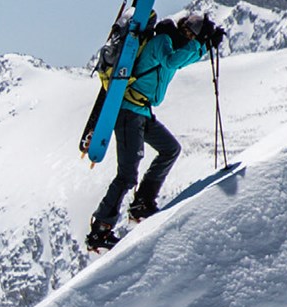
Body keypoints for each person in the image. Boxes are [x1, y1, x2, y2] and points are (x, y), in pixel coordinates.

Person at [85, 14, 225, 251]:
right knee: (128, 174)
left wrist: (203, 46)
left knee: (170, 149)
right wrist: (200, 45)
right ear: (185, 31)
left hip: (141, 111)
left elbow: (179, 61)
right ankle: (100, 229)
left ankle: (142, 204)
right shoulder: (163, 40)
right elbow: (171, 62)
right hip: (129, 111)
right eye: (192, 34)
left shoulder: (172, 44)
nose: (191, 38)